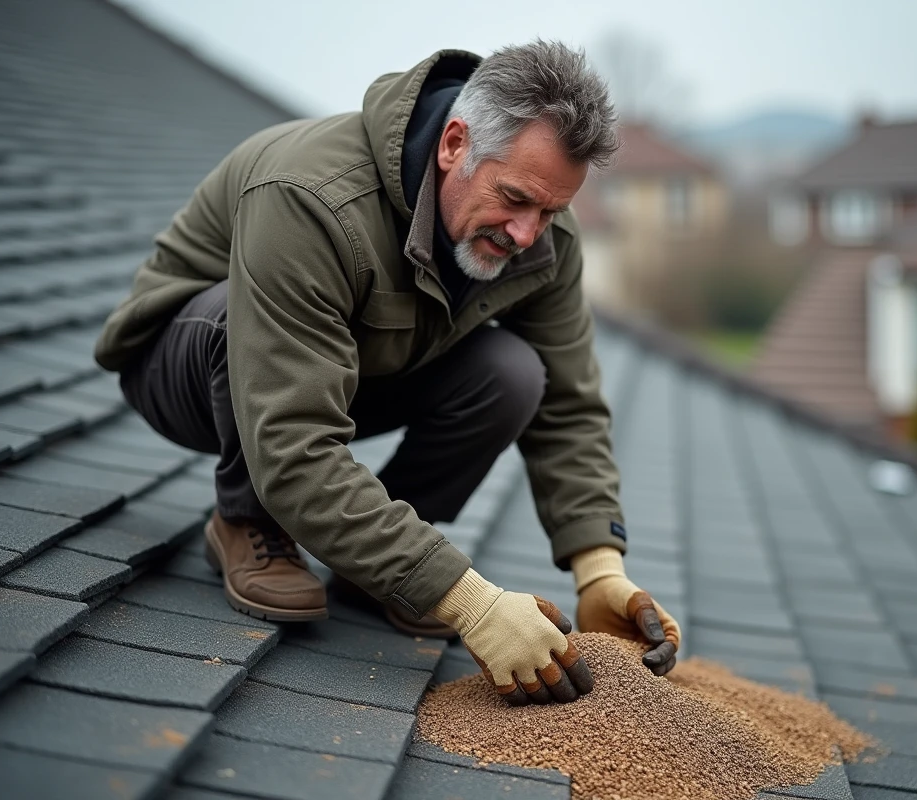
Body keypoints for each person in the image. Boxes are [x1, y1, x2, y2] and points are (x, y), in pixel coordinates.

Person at [93, 40, 680, 707]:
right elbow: (293, 441)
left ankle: (384, 565)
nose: (527, 232)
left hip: (344, 369)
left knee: (514, 372)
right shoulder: (310, 196)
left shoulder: (541, 237)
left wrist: (599, 568)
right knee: (240, 323)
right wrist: (473, 603)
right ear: (455, 143)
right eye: (515, 199)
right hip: (191, 366)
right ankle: (245, 518)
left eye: (549, 211)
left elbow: (569, 404)